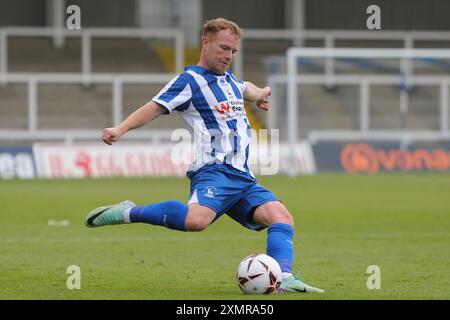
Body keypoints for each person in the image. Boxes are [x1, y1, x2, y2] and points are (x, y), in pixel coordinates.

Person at [84, 17, 324, 293]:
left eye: (233, 51)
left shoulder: (230, 81)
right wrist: (121, 128)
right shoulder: (189, 81)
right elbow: (154, 106)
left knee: (281, 217)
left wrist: (260, 94)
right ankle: (128, 212)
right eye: (223, 48)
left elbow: (247, 88)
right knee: (196, 221)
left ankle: (283, 278)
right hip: (214, 170)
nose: (229, 56)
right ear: (205, 41)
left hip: (243, 178)